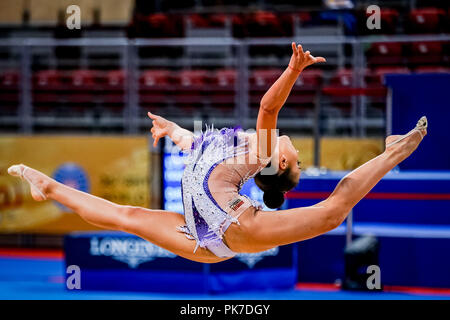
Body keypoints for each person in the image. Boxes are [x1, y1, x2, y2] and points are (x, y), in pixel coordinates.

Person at [7, 43, 427, 263]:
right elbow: (198, 146)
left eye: (294, 155)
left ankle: (394, 151)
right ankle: (49, 187)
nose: (293, 147)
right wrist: (172, 129)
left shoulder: (261, 153)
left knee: (334, 212)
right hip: (202, 232)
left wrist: (293, 71)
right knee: (128, 216)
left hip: (233, 229)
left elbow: (268, 107)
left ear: (279, 163)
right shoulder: (236, 144)